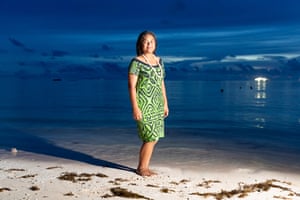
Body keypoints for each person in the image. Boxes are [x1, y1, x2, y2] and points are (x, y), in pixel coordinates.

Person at [128, 30, 169, 177]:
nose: (149, 43)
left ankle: (145, 166)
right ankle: (141, 168)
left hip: (157, 103)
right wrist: (135, 108)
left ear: (155, 44)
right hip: (144, 103)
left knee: (155, 137)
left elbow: (161, 83)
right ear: (140, 44)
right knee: (149, 136)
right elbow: (131, 86)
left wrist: (165, 103)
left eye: (151, 41)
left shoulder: (159, 61)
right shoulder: (136, 62)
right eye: (145, 41)